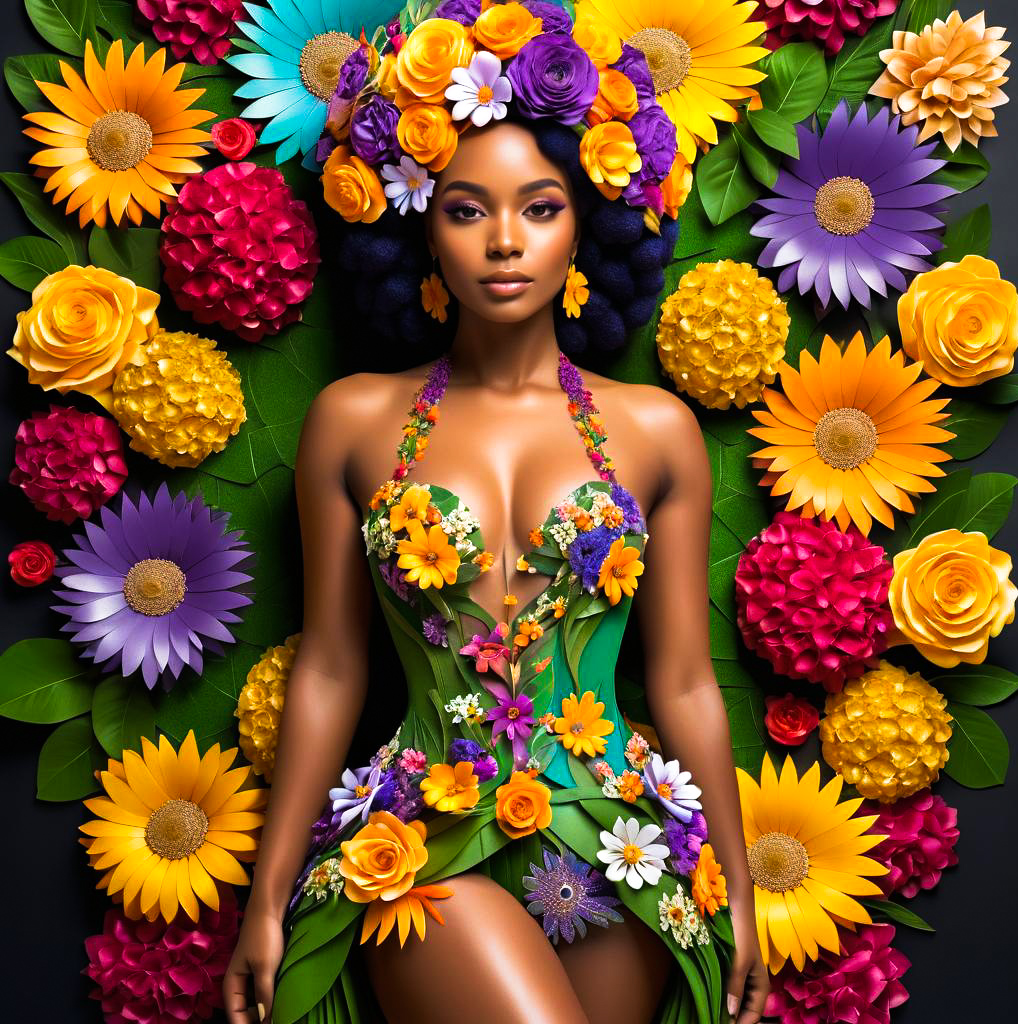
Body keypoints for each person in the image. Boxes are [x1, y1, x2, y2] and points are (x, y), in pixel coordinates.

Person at [224, 6, 769, 1023]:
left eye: (541, 206)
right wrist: (264, 896)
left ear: (588, 223)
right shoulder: (354, 421)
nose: (506, 240)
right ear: (419, 220)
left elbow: (685, 678)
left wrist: (736, 886)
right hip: (417, 841)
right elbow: (334, 666)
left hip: (626, 847)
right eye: (469, 209)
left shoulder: (655, 430)